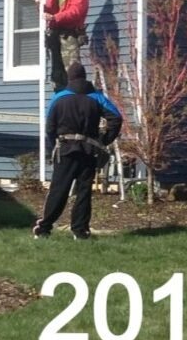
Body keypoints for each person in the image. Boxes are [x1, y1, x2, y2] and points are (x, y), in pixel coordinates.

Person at [32, 62, 123, 240]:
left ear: (70, 78)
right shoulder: (97, 97)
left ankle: (44, 228)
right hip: (88, 150)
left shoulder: (59, 98)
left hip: (65, 149)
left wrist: (54, 145)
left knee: (59, 189)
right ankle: (80, 231)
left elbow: (50, 127)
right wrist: (104, 139)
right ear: (84, 77)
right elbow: (116, 118)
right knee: (84, 191)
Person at [39, 0, 89, 92]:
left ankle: (76, 95)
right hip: (55, 33)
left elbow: (75, 12)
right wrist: (40, 3)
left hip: (69, 34)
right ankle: (60, 94)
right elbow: (48, 9)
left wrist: (55, 17)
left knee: (72, 68)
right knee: (57, 69)